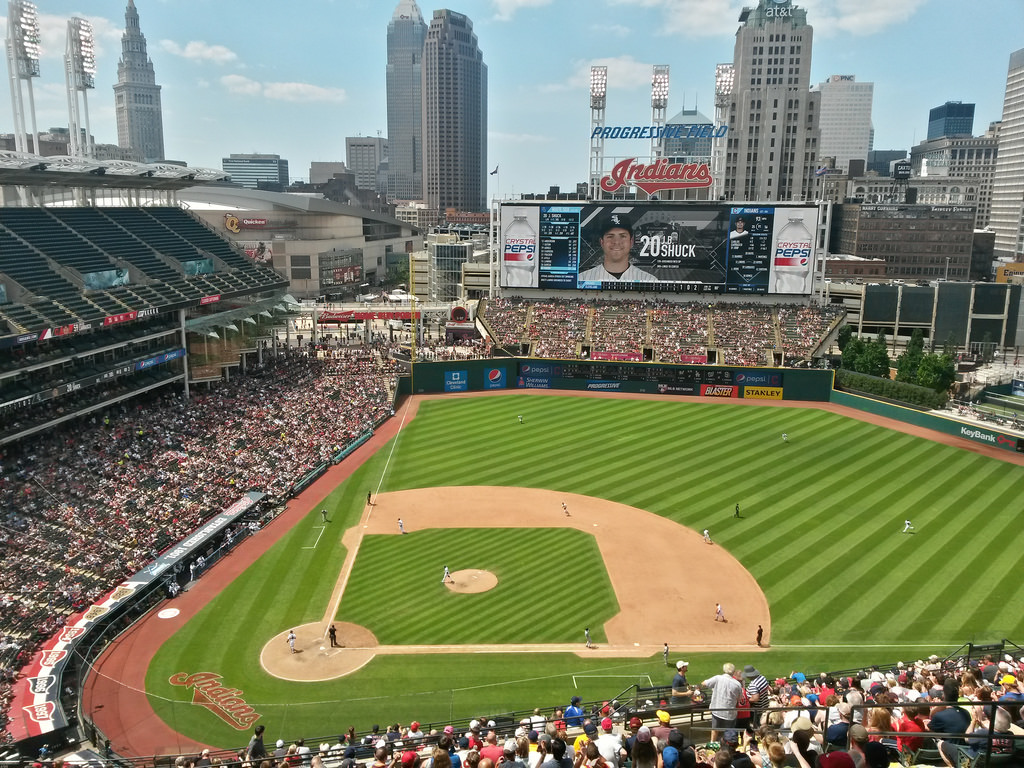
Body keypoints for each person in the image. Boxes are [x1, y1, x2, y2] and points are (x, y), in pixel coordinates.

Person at [578, 213, 656, 283]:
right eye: (610, 236)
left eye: (622, 236)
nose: (616, 242)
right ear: (602, 242)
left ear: (631, 241)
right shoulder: (581, 279)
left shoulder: (650, 280)